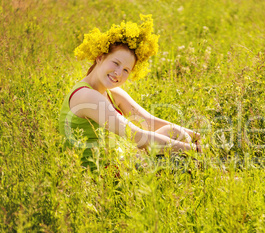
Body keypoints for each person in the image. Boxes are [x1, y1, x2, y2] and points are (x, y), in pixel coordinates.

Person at [59, 15, 201, 170]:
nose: (118, 73)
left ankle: (204, 172)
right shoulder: (86, 96)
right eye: (115, 63)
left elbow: (149, 122)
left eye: (126, 70)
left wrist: (195, 136)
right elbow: (137, 136)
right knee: (178, 152)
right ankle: (207, 173)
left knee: (174, 132)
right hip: (95, 177)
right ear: (100, 57)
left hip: (116, 164)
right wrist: (193, 150)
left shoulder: (113, 93)